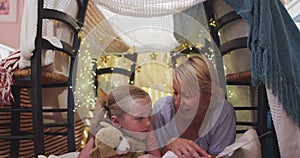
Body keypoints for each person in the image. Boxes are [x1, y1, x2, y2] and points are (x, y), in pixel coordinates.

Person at [152, 51, 236, 158]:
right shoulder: (162, 111)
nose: (177, 102)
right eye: (176, 93)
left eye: (187, 96)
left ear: (210, 94)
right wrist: (170, 145)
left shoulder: (223, 113)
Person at [78, 85, 161, 158]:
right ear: (116, 122)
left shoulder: (147, 133)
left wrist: (150, 156)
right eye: (139, 118)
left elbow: (157, 156)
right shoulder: (104, 134)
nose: (148, 123)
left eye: (149, 115)